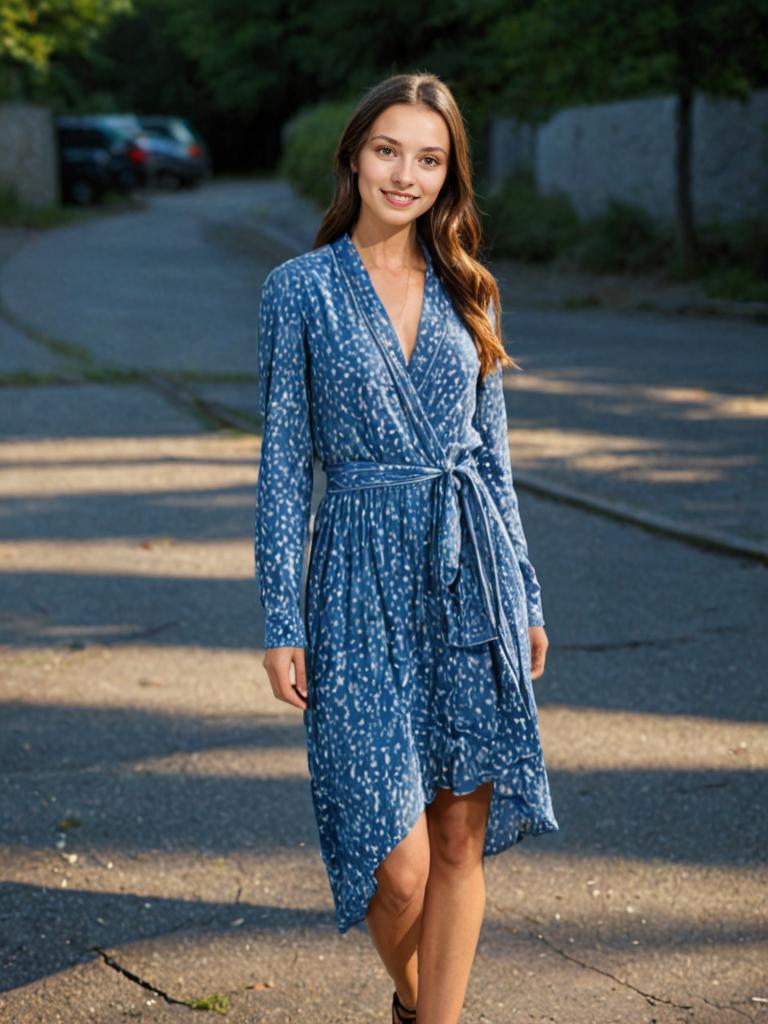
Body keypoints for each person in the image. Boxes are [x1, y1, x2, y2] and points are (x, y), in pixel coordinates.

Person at [254, 70, 559, 1024]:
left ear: (449, 175)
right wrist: (279, 614)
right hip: (352, 579)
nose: (406, 172)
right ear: (353, 155)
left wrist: (530, 597)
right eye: (389, 149)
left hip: (470, 578)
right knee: (399, 868)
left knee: (460, 843)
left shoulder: (471, 288)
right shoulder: (298, 290)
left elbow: (496, 461)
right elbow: (279, 465)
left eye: (429, 158)